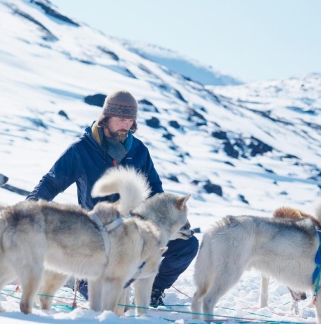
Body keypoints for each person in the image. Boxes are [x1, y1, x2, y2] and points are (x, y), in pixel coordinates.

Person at [26, 90, 199, 307]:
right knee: (108, 300)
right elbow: (51, 182)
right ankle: (79, 279)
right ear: (106, 118)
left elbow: (156, 190)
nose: (125, 125)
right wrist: (27, 208)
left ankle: (153, 290)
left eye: (130, 120)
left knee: (187, 245)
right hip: (99, 234)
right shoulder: (81, 149)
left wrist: (173, 220)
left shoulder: (138, 150)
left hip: (135, 230)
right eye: (120, 119)